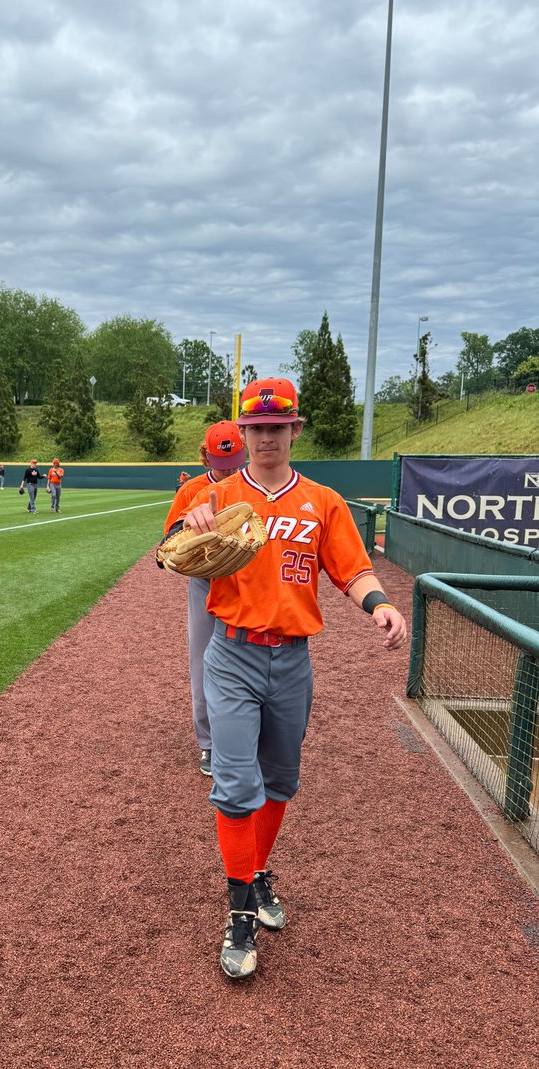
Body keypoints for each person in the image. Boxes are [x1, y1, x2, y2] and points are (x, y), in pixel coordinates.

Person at [181, 378, 407, 981]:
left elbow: (352, 569)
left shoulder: (324, 502)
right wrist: (195, 527)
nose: (265, 438)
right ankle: (239, 913)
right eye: (255, 428)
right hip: (231, 656)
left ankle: (256, 874)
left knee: (280, 779)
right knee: (234, 785)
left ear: (294, 431)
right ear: (245, 432)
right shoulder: (215, 494)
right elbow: (168, 554)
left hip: (293, 659)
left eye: (276, 427)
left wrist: (379, 603)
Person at [161, 421, 244, 777]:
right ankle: (209, 744)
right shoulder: (192, 489)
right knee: (203, 661)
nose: (226, 466)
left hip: (249, 581)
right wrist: (188, 546)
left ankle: (246, 737)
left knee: (251, 657)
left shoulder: (254, 484)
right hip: (206, 583)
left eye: (234, 458)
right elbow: (167, 545)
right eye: (219, 459)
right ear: (205, 455)